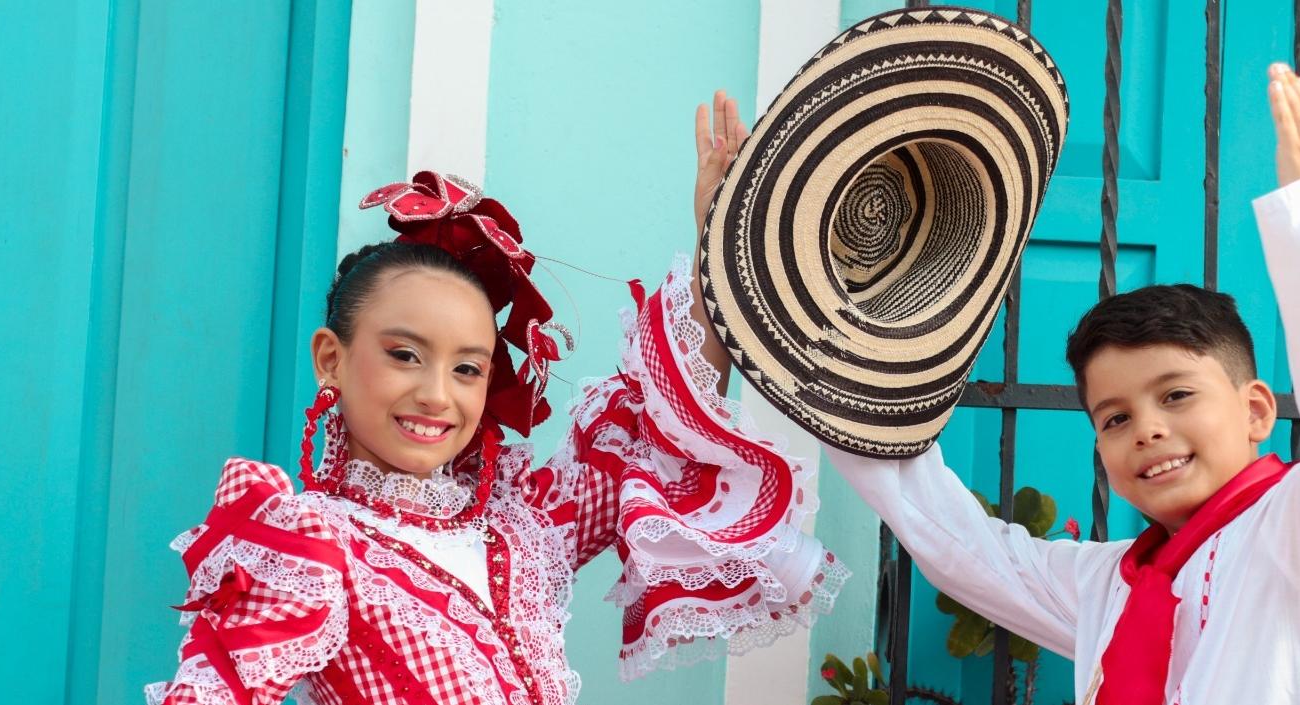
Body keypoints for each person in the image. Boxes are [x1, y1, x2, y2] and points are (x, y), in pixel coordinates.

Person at [146, 92, 846, 705]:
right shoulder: (310, 545)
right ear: (331, 358)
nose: (434, 394)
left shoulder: (521, 526)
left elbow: (656, 433)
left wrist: (720, 247)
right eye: (404, 355)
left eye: (467, 369)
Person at [821, 64, 1300, 704]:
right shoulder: (1108, 586)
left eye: (1177, 395)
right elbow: (958, 543)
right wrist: (791, 321)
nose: (1148, 428)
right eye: (1114, 418)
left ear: (1257, 410)